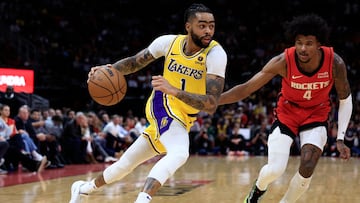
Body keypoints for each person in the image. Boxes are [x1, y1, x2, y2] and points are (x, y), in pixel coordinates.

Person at [69, 3, 227, 203]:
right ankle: (143, 200)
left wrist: (175, 90)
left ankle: (83, 188)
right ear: (188, 27)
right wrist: (107, 70)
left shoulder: (216, 54)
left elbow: (211, 104)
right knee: (179, 153)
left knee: (124, 165)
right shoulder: (168, 43)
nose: (208, 31)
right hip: (163, 103)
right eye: (202, 25)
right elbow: (135, 62)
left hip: (184, 116)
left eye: (211, 26)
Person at [219, 14, 352, 202]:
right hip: (287, 114)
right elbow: (247, 88)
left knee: (308, 164)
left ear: (319, 44)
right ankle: (258, 189)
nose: (303, 48)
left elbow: (345, 98)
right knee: (275, 170)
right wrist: (214, 100)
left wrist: (340, 138)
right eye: (299, 43)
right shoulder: (283, 61)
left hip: (316, 114)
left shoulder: (335, 63)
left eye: (309, 43)